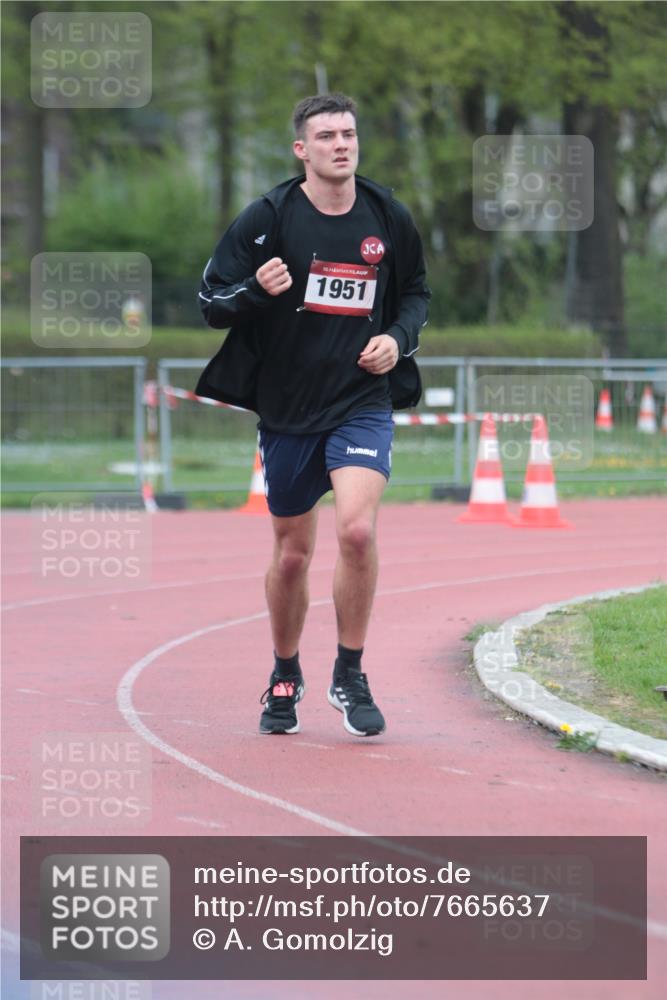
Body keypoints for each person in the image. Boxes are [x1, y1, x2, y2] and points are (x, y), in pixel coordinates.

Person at [197, 93, 430, 737]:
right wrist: (254, 291)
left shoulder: (387, 215)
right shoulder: (268, 219)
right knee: (293, 554)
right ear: (302, 149)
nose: (341, 144)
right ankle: (284, 671)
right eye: (326, 136)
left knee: (357, 532)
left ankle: (349, 672)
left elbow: (415, 292)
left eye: (349, 133)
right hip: (289, 407)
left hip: (360, 400)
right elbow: (210, 301)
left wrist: (398, 340)